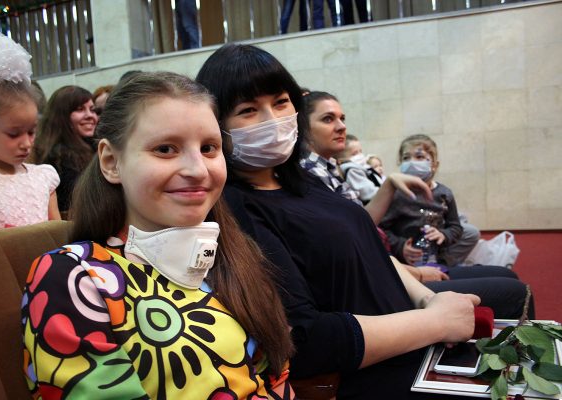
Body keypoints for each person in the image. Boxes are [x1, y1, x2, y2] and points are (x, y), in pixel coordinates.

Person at [197, 43, 482, 400]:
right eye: (248, 110)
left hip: (410, 328)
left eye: (281, 102)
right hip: (375, 368)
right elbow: (306, 339)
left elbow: (371, 253)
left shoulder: (301, 179)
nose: (272, 120)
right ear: (217, 127)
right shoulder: (237, 207)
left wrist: (428, 300)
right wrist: (435, 322)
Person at [21, 71, 294, 399]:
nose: (198, 170)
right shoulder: (73, 277)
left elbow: (279, 379)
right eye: (165, 149)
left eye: (209, 148)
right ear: (111, 162)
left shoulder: (236, 254)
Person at [301, 91, 533, 320]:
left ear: (435, 163)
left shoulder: (328, 169)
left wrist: (439, 239)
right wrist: (416, 272)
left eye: (342, 118)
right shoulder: (309, 172)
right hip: (382, 280)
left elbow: (362, 227)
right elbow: (358, 244)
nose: (341, 126)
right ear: (302, 125)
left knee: (505, 273)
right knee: (518, 293)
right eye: (328, 119)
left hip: (399, 268)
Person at [0, 33, 60, 236]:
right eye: (14, 134)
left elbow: (60, 237)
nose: (27, 143)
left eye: (31, 132)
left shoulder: (43, 177)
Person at [379, 134, 481, 268]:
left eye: (419, 157)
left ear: (434, 165)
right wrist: (400, 246)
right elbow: (381, 229)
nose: (412, 162)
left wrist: (443, 234)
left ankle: (446, 265)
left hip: (436, 257)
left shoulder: (444, 194)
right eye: (406, 158)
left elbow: (455, 227)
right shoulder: (397, 195)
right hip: (405, 263)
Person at [31, 85, 98, 216]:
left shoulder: (96, 146)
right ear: (62, 116)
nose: (90, 116)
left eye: (92, 109)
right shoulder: (58, 157)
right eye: (80, 109)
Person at [337, 134, 383, 203]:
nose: (360, 155)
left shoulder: (363, 168)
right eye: (354, 154)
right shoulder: (352, 171)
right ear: (341, 160)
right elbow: (368, 193)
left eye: (360, 151)